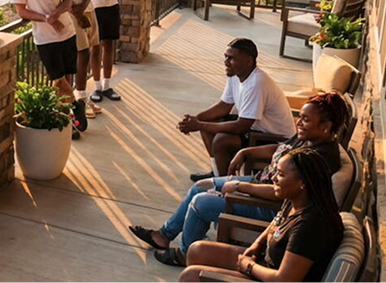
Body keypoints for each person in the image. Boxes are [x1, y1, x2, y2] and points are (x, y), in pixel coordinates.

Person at [129, 93, 347, 267]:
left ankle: (186, 254)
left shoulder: (320, 157)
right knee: (199, 187)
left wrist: (240, 187)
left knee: (201, 203)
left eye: (306, 119)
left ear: (326, 126)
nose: (299, 122)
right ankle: (163, 236)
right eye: (300, 116)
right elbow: (281, 148)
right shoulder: (309, 140)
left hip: (267, 204)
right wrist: (246, 152)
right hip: (259, 183)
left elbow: (283, 195)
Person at [178, 147, 345, 283]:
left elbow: (284, 280)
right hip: (265, 262)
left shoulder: (310, 226)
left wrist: (249, 266)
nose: (273, 177)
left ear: (302, 183)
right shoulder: (295, 200)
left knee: (190, 277)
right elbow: (276, 221)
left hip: (272, 277)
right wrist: (257, 244)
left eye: (280, 174)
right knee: (196, 251)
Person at [178, 38, 296, 180]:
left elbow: (241, 126)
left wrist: (199, 124)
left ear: (249, 61)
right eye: (226, 57)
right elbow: (224, 106)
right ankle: (217, 173)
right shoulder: (236, 74)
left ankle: (223, 185)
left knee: (222, 141)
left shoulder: (257, 84)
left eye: (232, 58)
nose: (226, 62)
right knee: (208, 122)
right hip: (255, 128)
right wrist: (195, 120)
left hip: (274, 139)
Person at [10, 0, 83, 140]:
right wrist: (47, 18)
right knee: (58, 80)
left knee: (66, 78)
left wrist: (57, 14)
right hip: (45, 38)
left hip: (67, 32)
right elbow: (21, 11)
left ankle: (67, 124)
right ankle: (77, 106)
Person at [51, 0, 101, 128]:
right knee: (82, 53)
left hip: (86, 8)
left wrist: (84, 7)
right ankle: (78, 100)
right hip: (69, 12)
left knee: (91, 49)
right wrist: (76, 12)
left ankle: (81, 98)